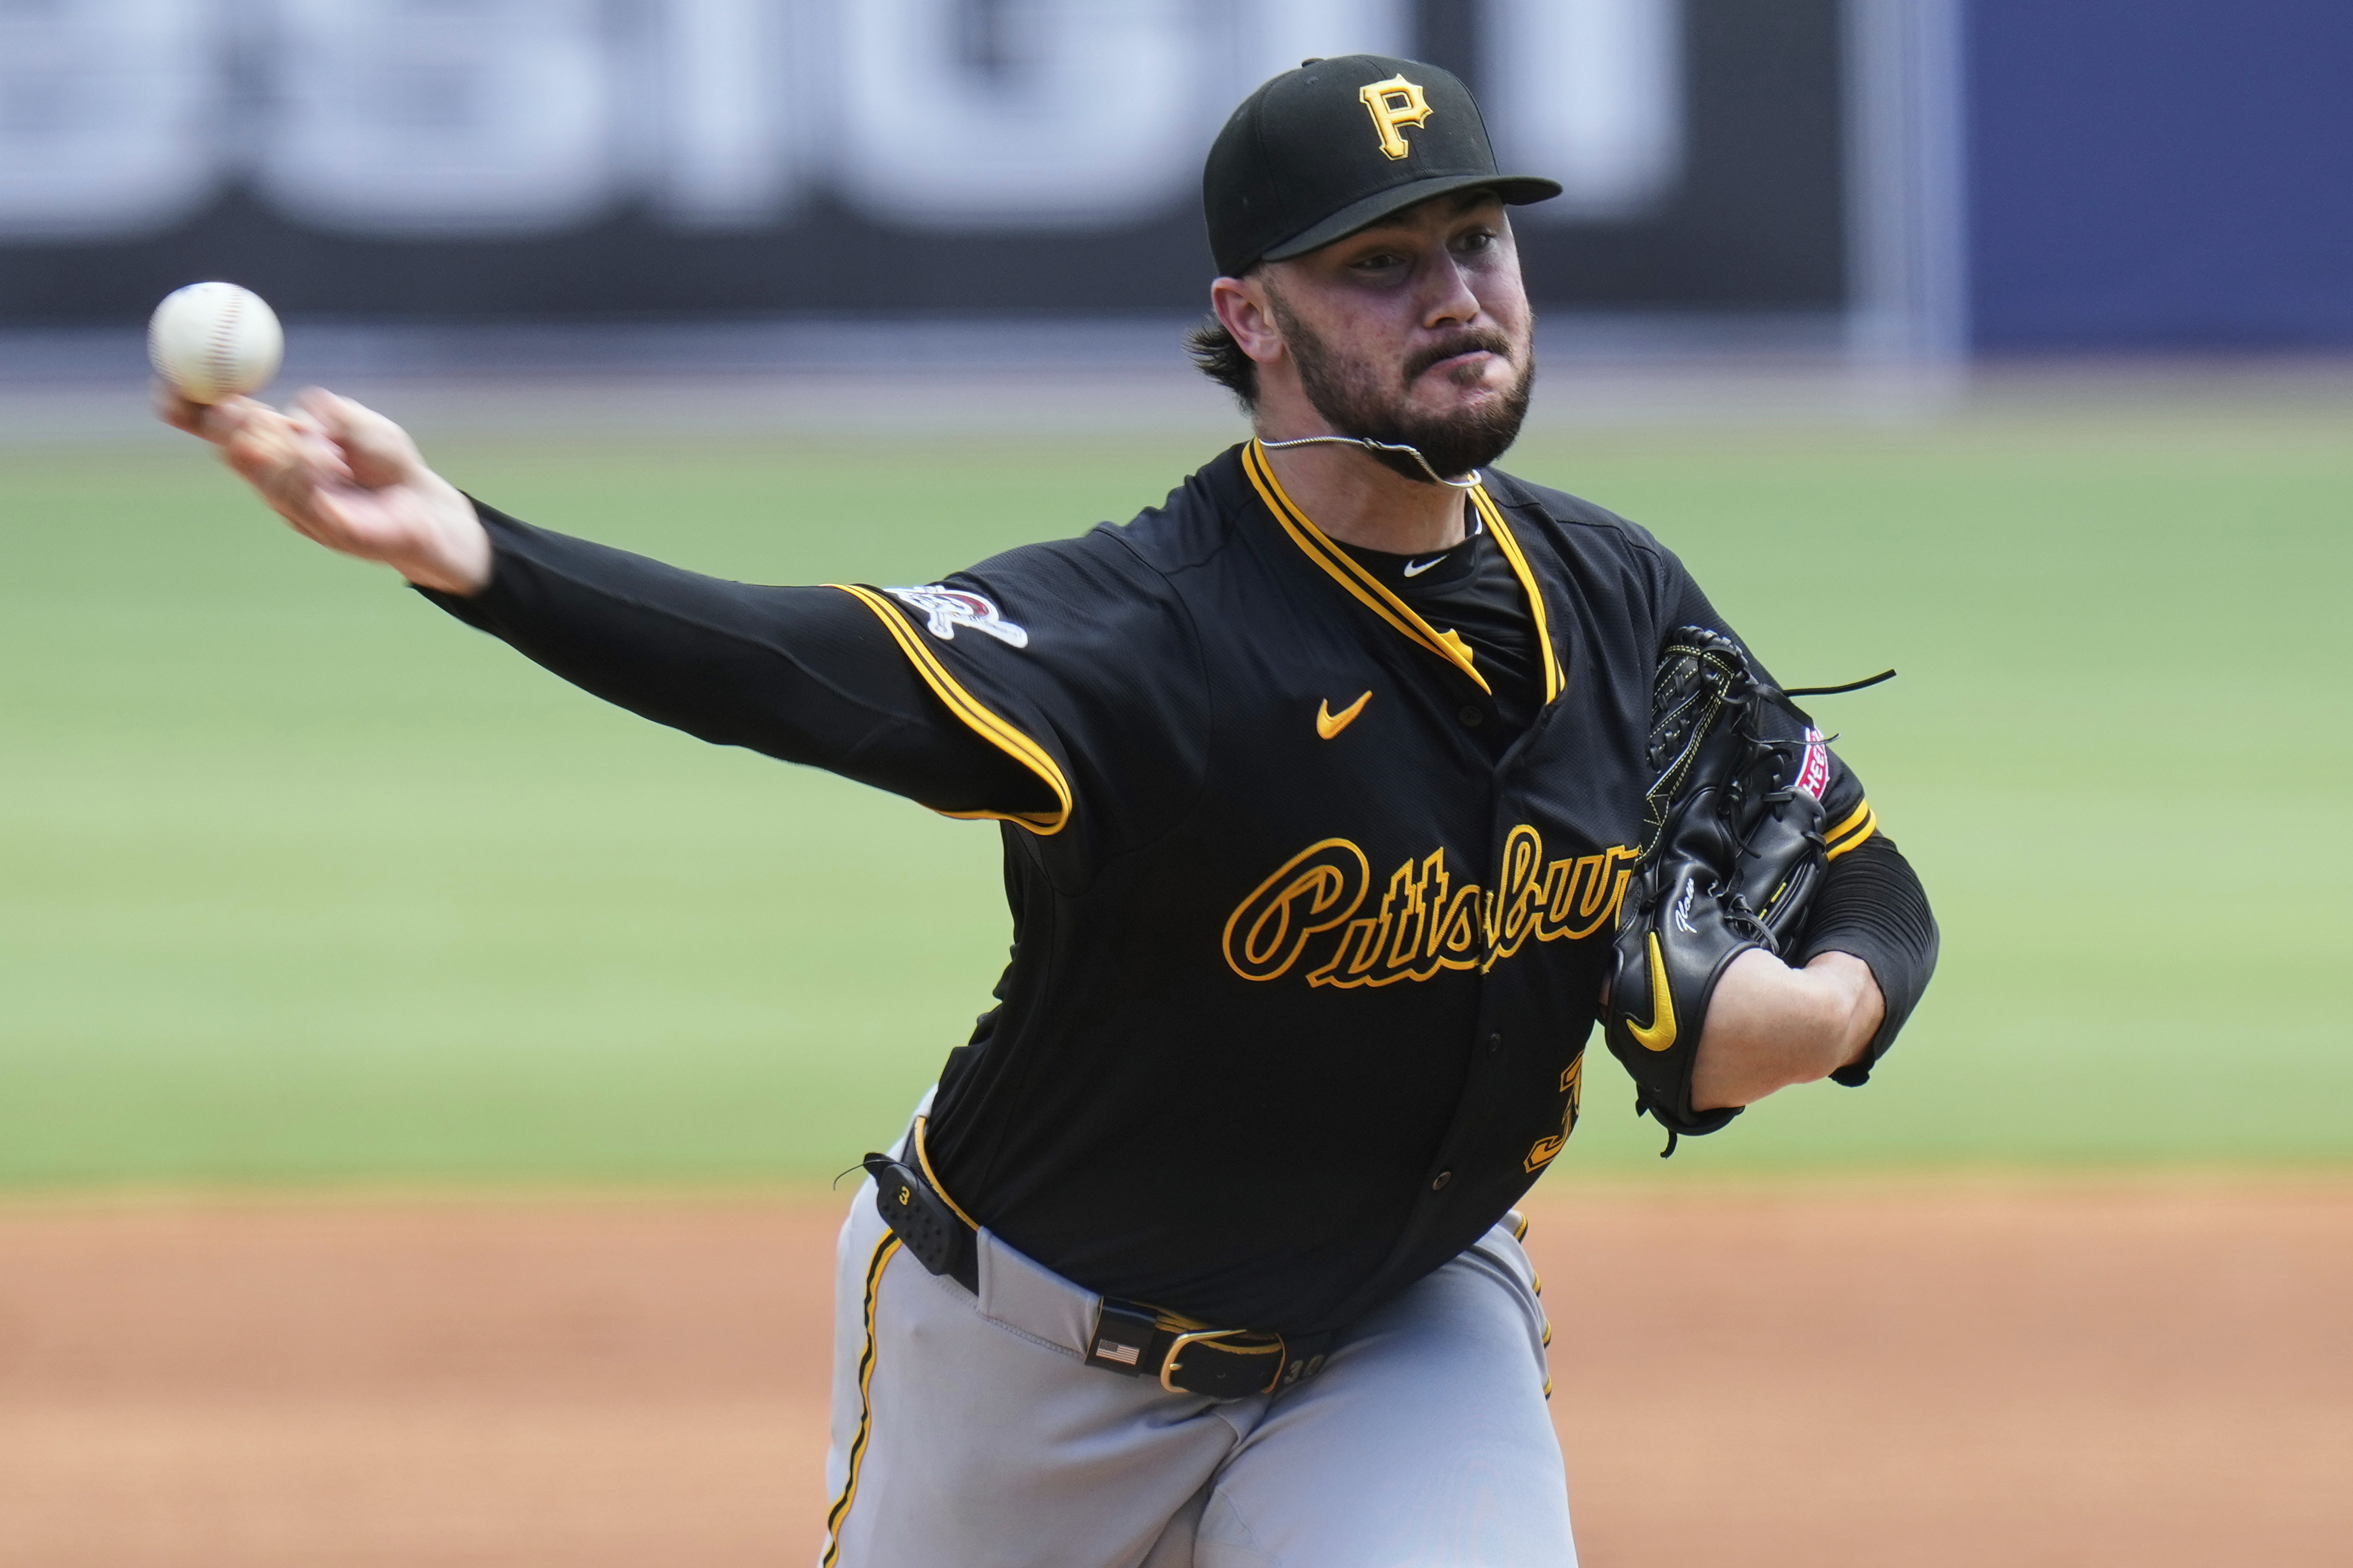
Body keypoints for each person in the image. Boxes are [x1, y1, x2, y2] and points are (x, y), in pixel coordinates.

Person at [163, 54, 1935, 1568]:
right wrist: (474, 554)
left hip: (1398, 1329)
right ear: (1249, 318)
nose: (1454, 294)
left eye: (1474, 241)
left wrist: (1818, 1012)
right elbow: (803, 666)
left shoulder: (1612, 596)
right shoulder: (1144, 629)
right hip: (1022, 1365)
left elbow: (1865, 882)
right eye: (1378, 264)